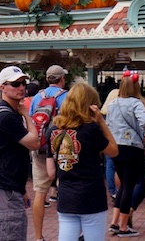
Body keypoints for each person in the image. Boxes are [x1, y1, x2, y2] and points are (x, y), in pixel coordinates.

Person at [46, 82, 118, 241]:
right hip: (91, 195)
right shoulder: (91, 129)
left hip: (66, 194)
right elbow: (114, 150)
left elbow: (51, 170)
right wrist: (101, 122)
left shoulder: (53, 130)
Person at [0, 65, 40, 241]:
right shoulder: (7, 116)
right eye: (15, 84)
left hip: (8, 186)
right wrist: (27, 114)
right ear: (2, 88)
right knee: (10, 234)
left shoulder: (8, 113)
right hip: (5, 188)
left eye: (23, 83)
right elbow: (34, 142)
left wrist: (21, 189)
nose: (21, 87)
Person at [105, 75, 145, 237]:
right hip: (132, 146)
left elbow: (108, 123)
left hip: (116, 146)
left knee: (123, 184)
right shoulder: (136, 103)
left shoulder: (113, 104)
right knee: (130, 185)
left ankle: (115, 221)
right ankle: (123, 226)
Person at [29, 64, 69, 241]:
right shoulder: (67, 97)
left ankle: (38, 236)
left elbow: (31, 122)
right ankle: (66, 233)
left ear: (47, 79)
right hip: (61, 148)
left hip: (40, 147)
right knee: (66, 188)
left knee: (40, 191)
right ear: (62, 79)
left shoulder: (37, 97)